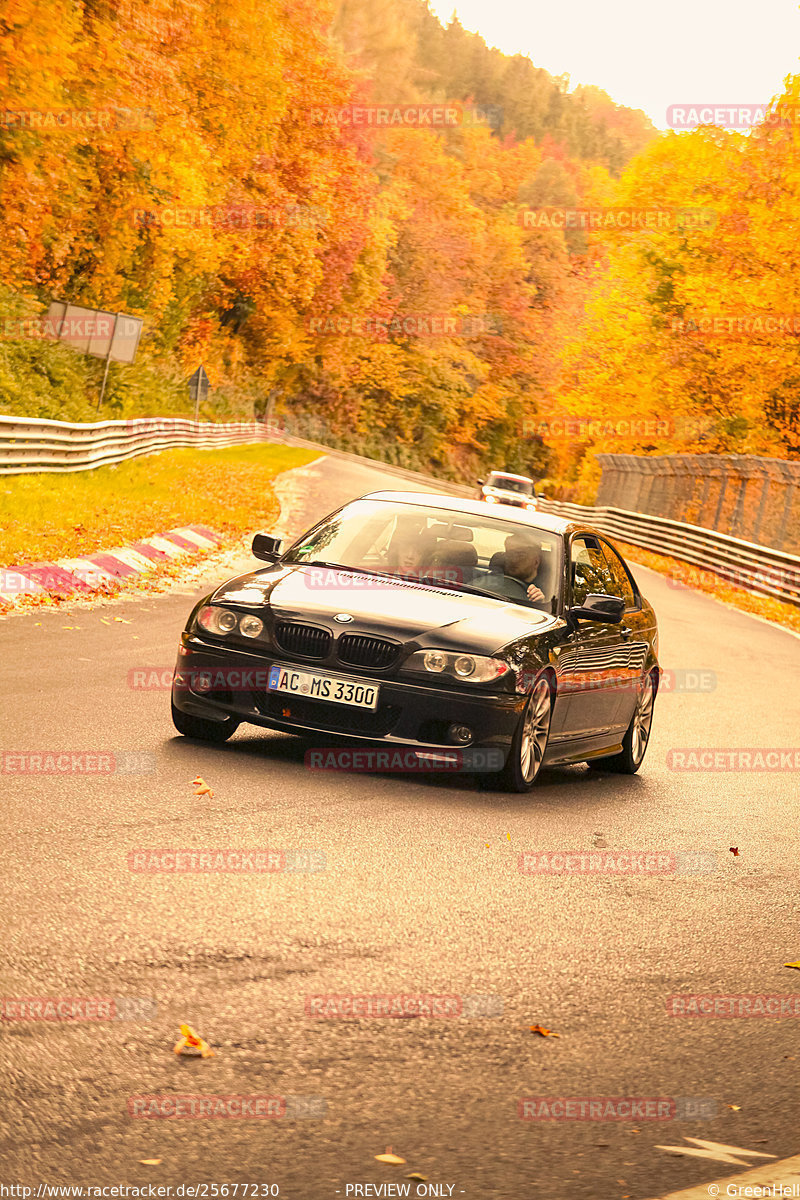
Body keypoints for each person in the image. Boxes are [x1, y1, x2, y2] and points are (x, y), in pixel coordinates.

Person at [481, 532, 547, 605]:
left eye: (520, 555)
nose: (513, 560)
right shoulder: (491, 579)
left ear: (536, 562)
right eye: (510, 554)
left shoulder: (549, 590)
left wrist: (541, 602)